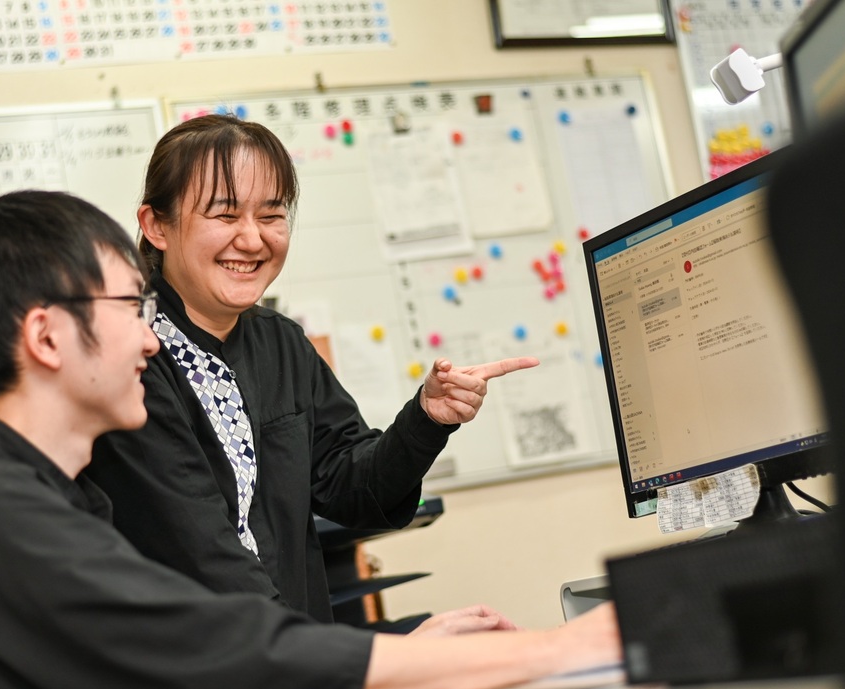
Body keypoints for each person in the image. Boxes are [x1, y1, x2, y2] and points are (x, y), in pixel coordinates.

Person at [0, 189, 621, 689]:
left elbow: (209, 654)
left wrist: (405, 649)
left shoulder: (18, 496)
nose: (153, 337)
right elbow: (233, 658)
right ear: (46, 337)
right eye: (133, 307)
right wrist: (562, 650)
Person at [85, 114, 539, 621]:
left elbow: (352, 487)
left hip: (297, 662)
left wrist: (427, 418)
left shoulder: (281, 343)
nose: (253, 239)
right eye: (225, 214)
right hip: (199, 673)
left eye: (272, 215)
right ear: (156, 226)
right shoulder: (131, 357)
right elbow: (200, 554)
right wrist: (369, 657)